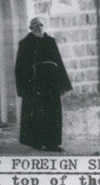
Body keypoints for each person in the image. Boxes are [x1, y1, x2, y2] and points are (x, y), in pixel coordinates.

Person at [15, 16, 72, 151]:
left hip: (51, 83)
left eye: (41, 25)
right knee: (36, 113)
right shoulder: (25, 43)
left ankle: (53, 143)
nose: (39, 28)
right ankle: (36, 142)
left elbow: (58, 62)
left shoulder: (50, 41)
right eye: (35, 25)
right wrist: (23, 87)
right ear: (31, 28)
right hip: (34, 83)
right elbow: (20, 67)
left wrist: (63, 84)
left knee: (52, 113)